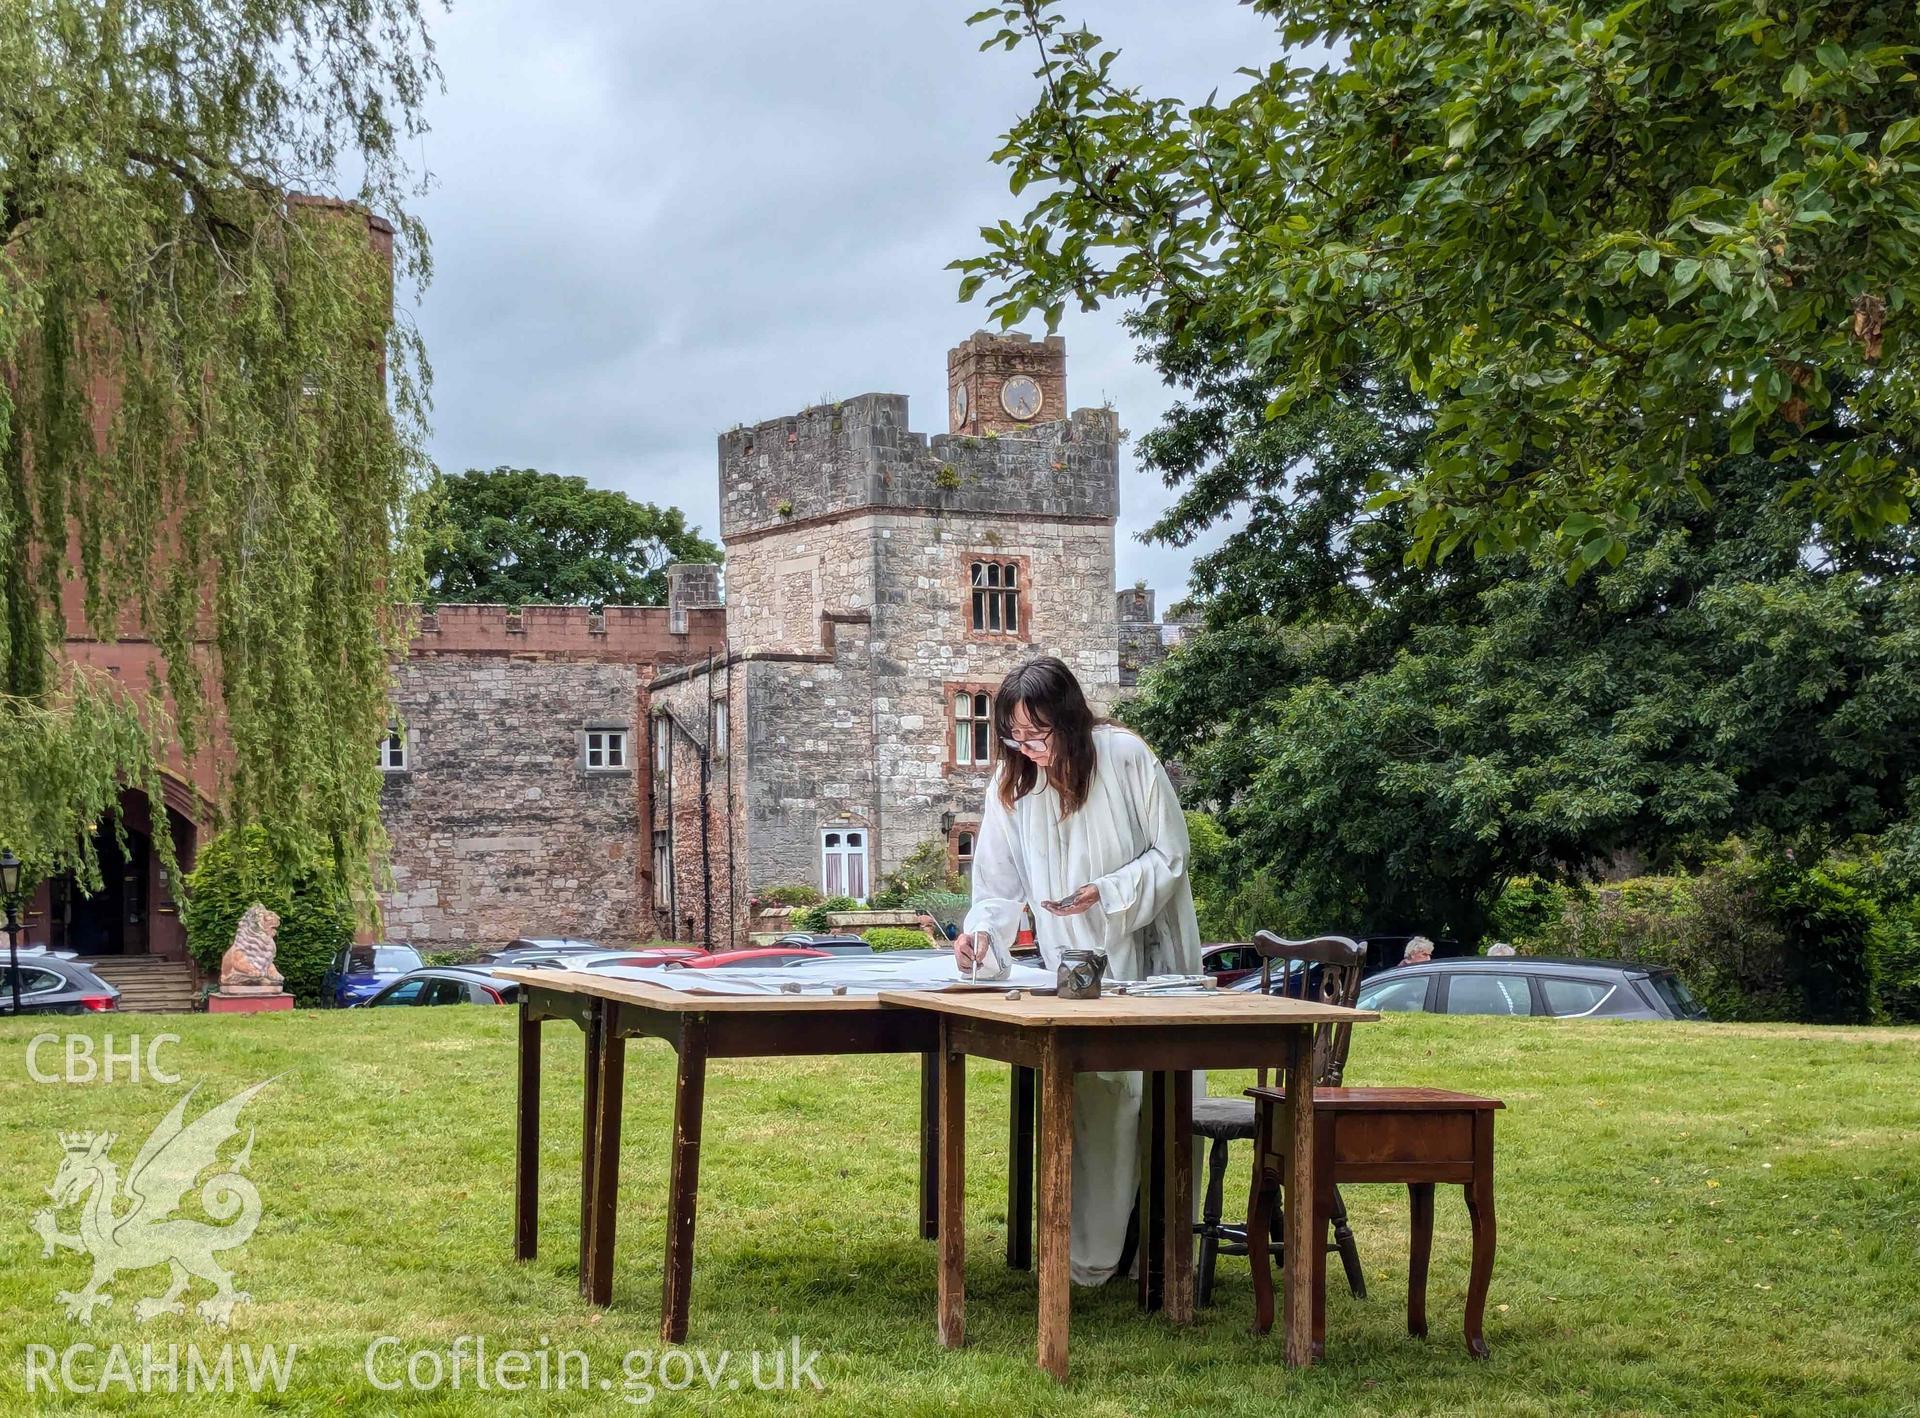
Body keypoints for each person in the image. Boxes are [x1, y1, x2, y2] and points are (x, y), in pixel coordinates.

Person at [952, 656, 1203, 1286]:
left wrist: (1107, 892)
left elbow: (1171, 855)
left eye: (1041, 735)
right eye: (1017, 737)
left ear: (1071, 721)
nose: (1031, 749)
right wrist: (981, 937)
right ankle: (1093, 1261)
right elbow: (998, 887)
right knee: (1097, 1102)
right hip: (1076, 972)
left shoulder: (1124, 758)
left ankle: (1160, 1254)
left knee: (1162, 1105)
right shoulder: (1013, 786)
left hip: (1150, 957)